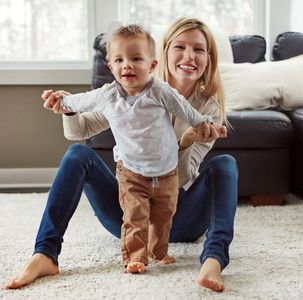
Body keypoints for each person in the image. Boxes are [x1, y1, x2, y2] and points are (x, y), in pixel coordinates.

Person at [5, 17, 238, 292]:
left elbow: (182, 175)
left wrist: (185, 142)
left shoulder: (207, 112)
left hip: (178, 215)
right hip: (128, 212)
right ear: (162, 54)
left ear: (209, 59)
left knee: (225, 164)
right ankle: (45, 253)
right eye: (180, 47)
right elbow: (80, 130)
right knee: (78, 154)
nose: (189, 56)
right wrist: (68, 108)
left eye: (199, 49)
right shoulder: (132, 89)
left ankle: (214, 258)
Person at [47, 24, 213, 274]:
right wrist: (65, 103)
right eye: (120, 60)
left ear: (152, 65)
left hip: (168, 173)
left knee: (164, 215)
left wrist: (199, 125)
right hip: (133, 172)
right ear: (111, 67)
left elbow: (185, 109)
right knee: (135, 215)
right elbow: (82, 105)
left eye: (136, 59)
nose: (128, 65)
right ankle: (135, 256)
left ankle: (159, 251)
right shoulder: (110, 96)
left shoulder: (162, 92)